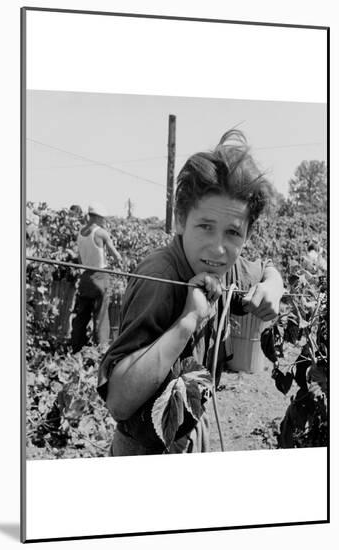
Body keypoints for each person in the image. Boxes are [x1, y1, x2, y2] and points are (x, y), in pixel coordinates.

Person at [97, 129, 285, 456]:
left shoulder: (226, 265)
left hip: (194, 430)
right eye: (205, 226)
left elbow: (263, 266)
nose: (218, 247)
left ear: (247, 233)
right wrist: (187, 321)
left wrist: (273, 284)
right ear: (181, 219)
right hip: (147, 447)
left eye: (232, 233)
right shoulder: (159, 278)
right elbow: (119, 401)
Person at [71, 202, 122, 352]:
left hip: (85, 277)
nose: (104, 221)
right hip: (100, 276)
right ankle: (101, 348)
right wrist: (117, 261)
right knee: (101, 314)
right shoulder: (101, 233)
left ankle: (76, 346)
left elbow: (80, 260)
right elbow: (117, 256)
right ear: (98, 218)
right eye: (103, 218)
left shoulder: (80, 232)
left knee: (82, 315)